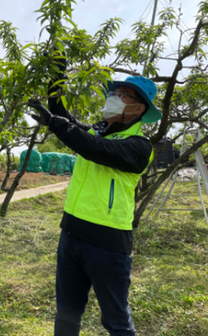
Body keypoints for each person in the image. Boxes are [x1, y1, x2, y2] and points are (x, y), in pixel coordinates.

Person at [29, 68, 162, 335]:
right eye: (113, 92)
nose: (112, 97)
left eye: (122, 95)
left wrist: (55, 123)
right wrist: (57, 75)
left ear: (138, 109)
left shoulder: (140, 146)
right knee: (66, 313)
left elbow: (92, 148)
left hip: (108, 244)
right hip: (71, 234)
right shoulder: (97, 133)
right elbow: (63, 115)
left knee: (116, 322)